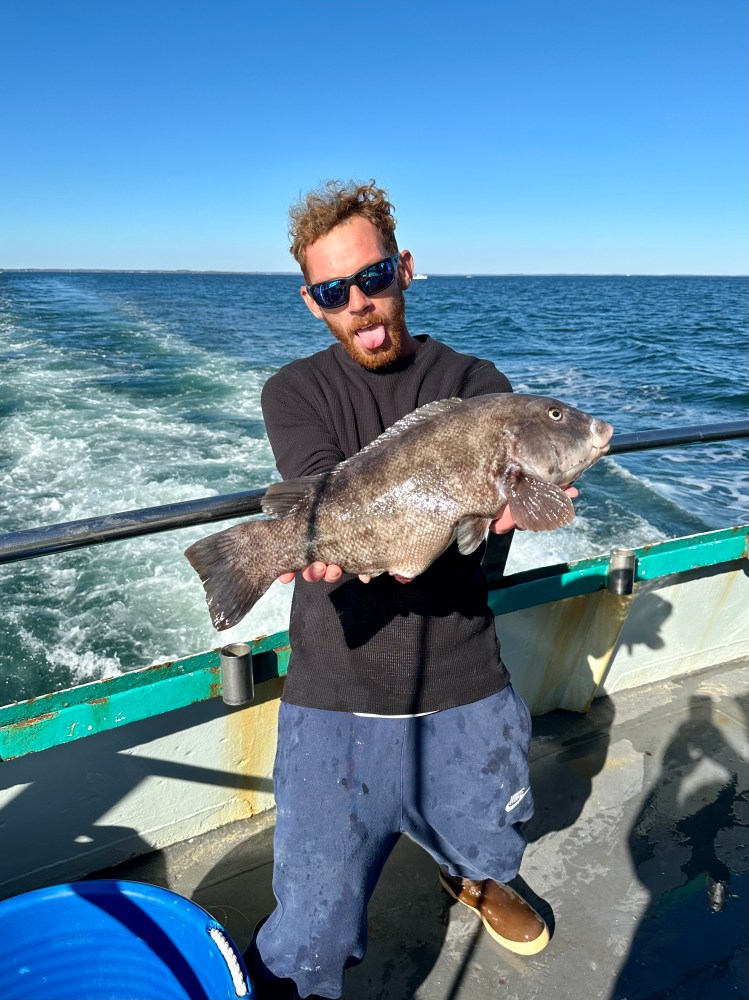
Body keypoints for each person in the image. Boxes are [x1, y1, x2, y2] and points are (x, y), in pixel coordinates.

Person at [245, 180, 558, 999]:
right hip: (335, 683)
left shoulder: (477, 383)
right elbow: (316, 485)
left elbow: (498, 520)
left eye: (373, 277)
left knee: (492, 836)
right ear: (313, 303)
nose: (360, 304)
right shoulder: (294, 390)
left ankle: (477, 879)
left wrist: (522, 500)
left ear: (404, 269)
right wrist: (329, 543)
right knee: (311, 928)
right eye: (333, 291)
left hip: (463, 672)